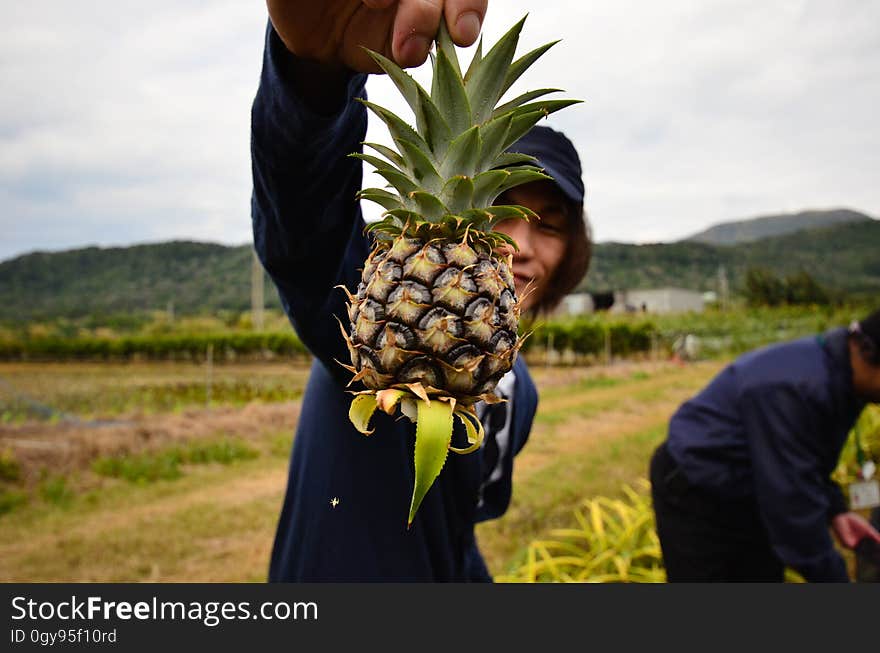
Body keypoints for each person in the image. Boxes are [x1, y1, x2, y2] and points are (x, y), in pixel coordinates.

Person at [251, 0, 591, 581]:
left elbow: (454, 533)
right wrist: (312, 78)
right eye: (500, 209)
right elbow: (304, 227)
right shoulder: (384, 318)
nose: (521, 245)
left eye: (550, 223)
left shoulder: (516, 385)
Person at [650, 308, 880, 582]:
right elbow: (792, 509)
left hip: (750, 486)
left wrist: (835, 510)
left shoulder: (842, 376)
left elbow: (805, 457)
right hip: (697, 490)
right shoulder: (793, 388)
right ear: (869, 354)